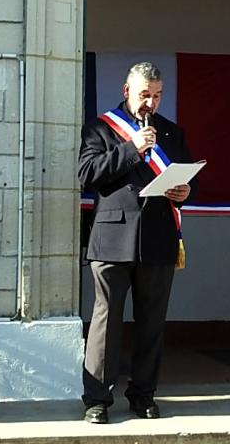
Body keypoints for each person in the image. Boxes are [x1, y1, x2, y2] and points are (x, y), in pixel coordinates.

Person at [78, 61, 192, 424]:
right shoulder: (100, 128)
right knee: (105, 323)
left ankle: (143, 395)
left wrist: (185, 190)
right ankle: (97, 399)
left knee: (151, 324)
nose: (151, 103)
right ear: (127, 91)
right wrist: (131, 148)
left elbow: (188, 176)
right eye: (145, 94)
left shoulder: (172, 133)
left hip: (158, 238)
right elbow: (88, 174)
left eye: (157, 96)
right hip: (112, 237)